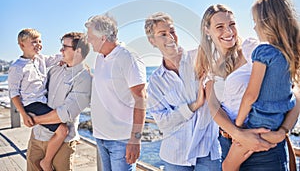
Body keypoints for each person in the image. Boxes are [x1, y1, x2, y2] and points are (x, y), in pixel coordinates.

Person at [195, 4, 300, 170]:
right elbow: (214, 107)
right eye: (220, 27)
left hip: (264, 145)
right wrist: (239, 135)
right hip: (230, 144)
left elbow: (294, 90)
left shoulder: (253, 49)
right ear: (207, 31)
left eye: (232, 25)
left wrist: (284, 130)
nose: (228, 32)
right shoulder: (209, 64)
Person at [223, 0, 300, 170]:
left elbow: (250, 95)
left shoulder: (263, 52)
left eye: (256, 22)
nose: (255, 28)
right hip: (276, 126)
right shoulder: (290, 54)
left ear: (267, 23)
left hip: (256, 125)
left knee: (227, 166)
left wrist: (238, 127)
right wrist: (282, 131)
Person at [144, 12, 221, 170]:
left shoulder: (200, 58)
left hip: (208, 152)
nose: (170, 37)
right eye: (163, 34)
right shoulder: (155, 82)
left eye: (172, 31)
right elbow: (163, 123)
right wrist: (194, 105)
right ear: (152, 41)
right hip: (175, 156)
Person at [85, 15, 147, 171]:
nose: (88, 40)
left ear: (103, 37)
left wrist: (135, 140)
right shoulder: (100, 58)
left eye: (91, 37)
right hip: (101, 136)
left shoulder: (128, 57)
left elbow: (141, 99)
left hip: (121, 140)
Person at [26, 32, 92, 171]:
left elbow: (65, 114)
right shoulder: (55, 70)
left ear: (78, 50)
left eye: (64, 47)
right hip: (37, 137)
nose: (60, 50)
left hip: (63, 143)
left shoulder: (85, 79)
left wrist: (34, 120)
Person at [8, 28, 68, 171]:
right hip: (32, 105)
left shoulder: (40, 59)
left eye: (40, 41)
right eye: (34, 42)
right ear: (22, 45)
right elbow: (13, 93)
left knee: (62, 124)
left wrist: (66, 58)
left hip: (43, 102)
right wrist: (23, 114)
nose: (38, 44)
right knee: (63, 130)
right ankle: (46, 162)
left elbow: (56, 58)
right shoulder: (17, 67)